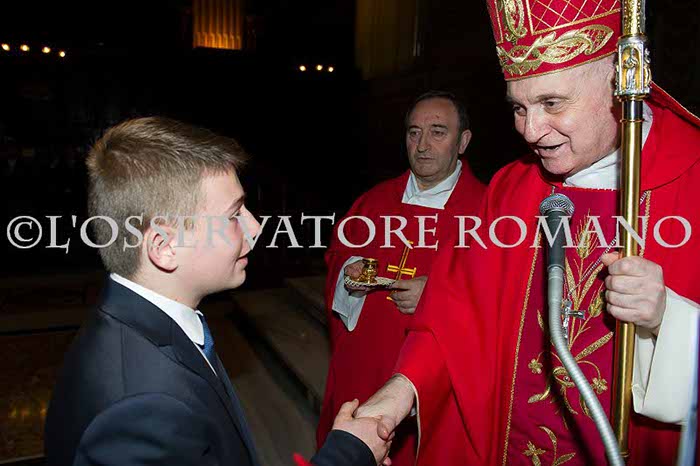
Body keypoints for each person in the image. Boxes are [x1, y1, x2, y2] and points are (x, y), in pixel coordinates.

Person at [353, 2, 700, 465]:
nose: (531, 131)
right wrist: (398, 394)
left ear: (618, 83)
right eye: (519, 107)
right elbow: (455, 314)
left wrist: (666, 322)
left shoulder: (693, 180)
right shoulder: (512, 190)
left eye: (552, 103)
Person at [44, 117, 392, 466]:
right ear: (164, 246)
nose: (255, 227)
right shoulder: (145, 404)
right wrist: (350, 453)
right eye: (234, 214)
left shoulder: (136, 321)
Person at [317, 91, 485, 466]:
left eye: (437, 132)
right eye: (413, 132)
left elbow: (500, 294)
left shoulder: (487, 212)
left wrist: (437, 293)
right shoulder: (372, 203)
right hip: (364, 366)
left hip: (434, 380)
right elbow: (339, 256)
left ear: (463, 141)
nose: (422, 146)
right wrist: (351, 271)